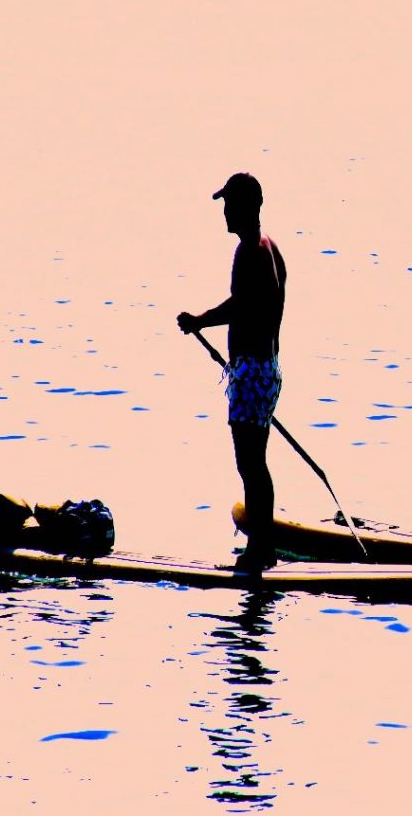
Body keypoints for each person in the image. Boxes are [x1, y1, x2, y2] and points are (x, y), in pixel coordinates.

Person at [177, 172, 287, 570]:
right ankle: (264, 546)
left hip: (253, 372)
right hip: (264, 369)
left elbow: (241, 306)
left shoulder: (250, 252)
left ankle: (261, 551)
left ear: (249, 207)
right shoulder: (269, 248)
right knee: (254, 463)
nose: (224, 212)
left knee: (250, 464)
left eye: (230, 204)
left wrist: (199, 321)